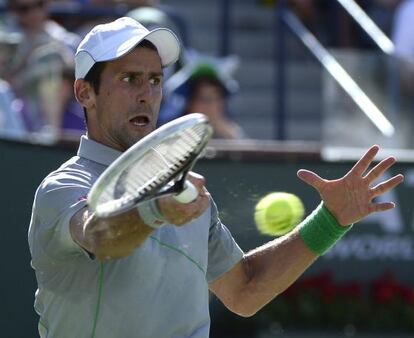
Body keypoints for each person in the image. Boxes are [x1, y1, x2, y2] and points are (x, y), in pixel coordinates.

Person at [28, 17, 404, 338]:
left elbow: (245, 291)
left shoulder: (184, 193)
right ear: (84, 92)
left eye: (155, 80)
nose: (146, 94)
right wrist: (156, 211)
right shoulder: (63, 187)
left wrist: (330, 220)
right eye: (129, 79)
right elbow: (98, 233)